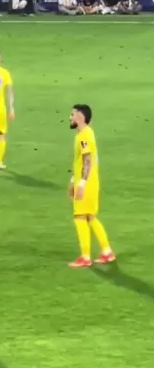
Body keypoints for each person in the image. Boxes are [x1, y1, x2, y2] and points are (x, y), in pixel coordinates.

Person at [68, 104, 115, 268]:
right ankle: (107, 252)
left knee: (80, 217)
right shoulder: (86, 133)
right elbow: (80, 162)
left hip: (86, 183)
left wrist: (81, 184)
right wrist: (73, 181)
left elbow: (87, 161)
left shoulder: (83, 136)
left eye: (72, 114)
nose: (70, 117)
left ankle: (85, 256)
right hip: (90, 181)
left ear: (80, 116)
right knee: (90, 217)